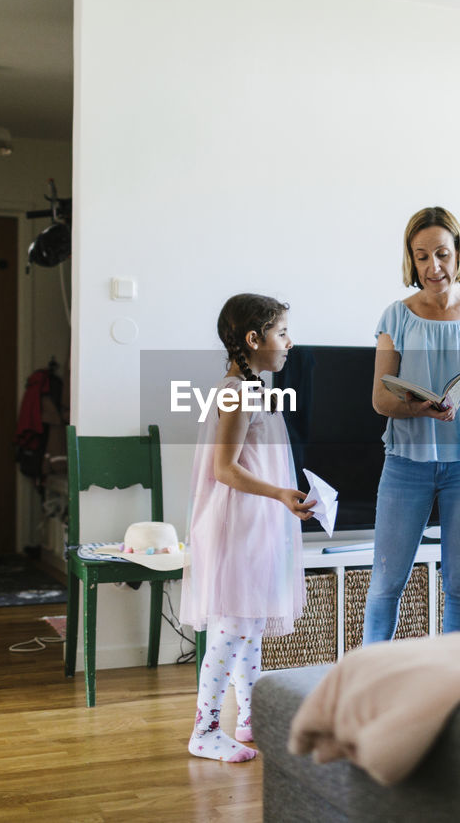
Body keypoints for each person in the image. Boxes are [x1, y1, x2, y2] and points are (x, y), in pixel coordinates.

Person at [363, 206, 460, 645]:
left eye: (443, 254)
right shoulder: (397, 316)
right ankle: (370, 682)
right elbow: (380, 398)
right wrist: (420, 408)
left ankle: (453, 686)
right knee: (386, 583)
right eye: (422, 256)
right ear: (411, 260)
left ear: (458, 254)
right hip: (407, 464)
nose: (434, 266)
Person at [180, 293, 314, 762]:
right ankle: (206, 727)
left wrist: (282, 494)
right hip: (238, 523)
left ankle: (249, 716)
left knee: (250, 623)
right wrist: (280, 493)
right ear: (254, 339)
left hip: (257, 523)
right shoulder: (237, 391)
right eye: (281, 333)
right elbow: (225, 468)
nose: (289, 343)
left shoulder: (254, 388)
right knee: (234, 625)